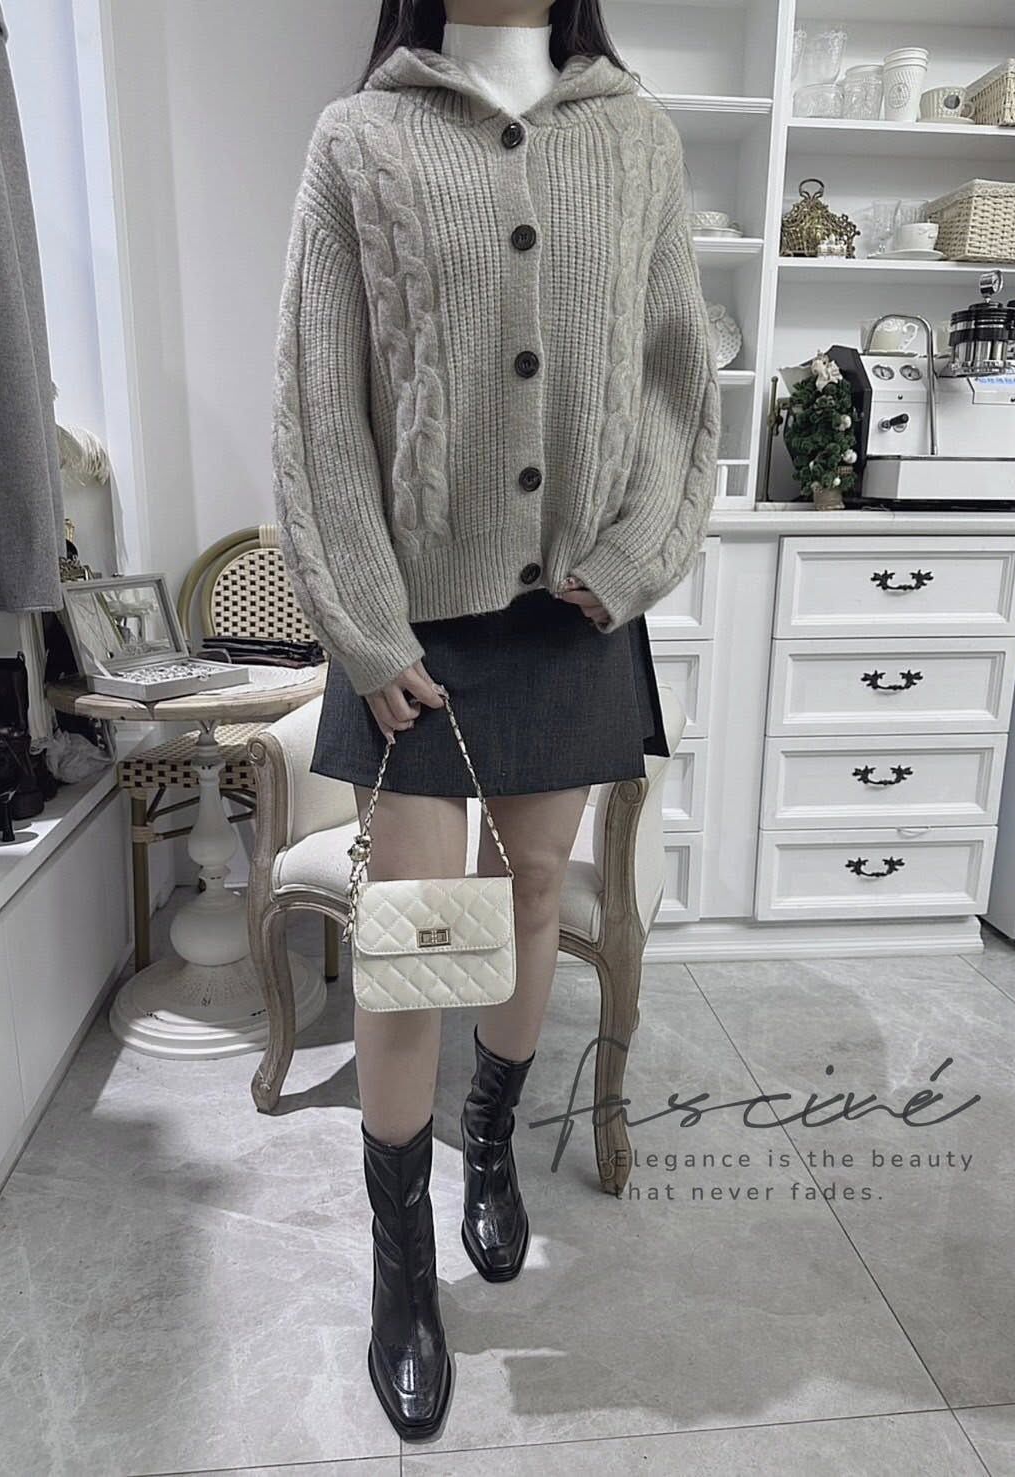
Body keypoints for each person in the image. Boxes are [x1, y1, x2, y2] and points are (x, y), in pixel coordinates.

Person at [271, 0, 719, 1441]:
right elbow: (320, 404)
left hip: (574, 610)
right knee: (416, 939)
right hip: (412, 623)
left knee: (529, 897)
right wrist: (362, 625)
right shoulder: (361, 140)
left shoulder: (636, 139)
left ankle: (492, 1142)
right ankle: (404, 1265)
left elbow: (675, 378)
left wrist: (637, 551)